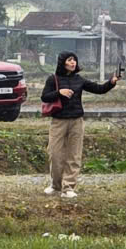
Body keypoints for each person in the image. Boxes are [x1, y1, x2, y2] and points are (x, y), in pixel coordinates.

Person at [40, 49, 118, 197]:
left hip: (76, 120)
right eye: (69, 60)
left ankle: (68, 187)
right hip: (58, 121)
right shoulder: (53, 79)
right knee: (55, 154)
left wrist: (111, 82)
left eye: (74, 60)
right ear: (62, 62)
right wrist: (59, 92)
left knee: (74, 155)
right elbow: (45, 97)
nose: (72, 62)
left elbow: (99, 89)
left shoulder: (79, 79)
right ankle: (55, 185)